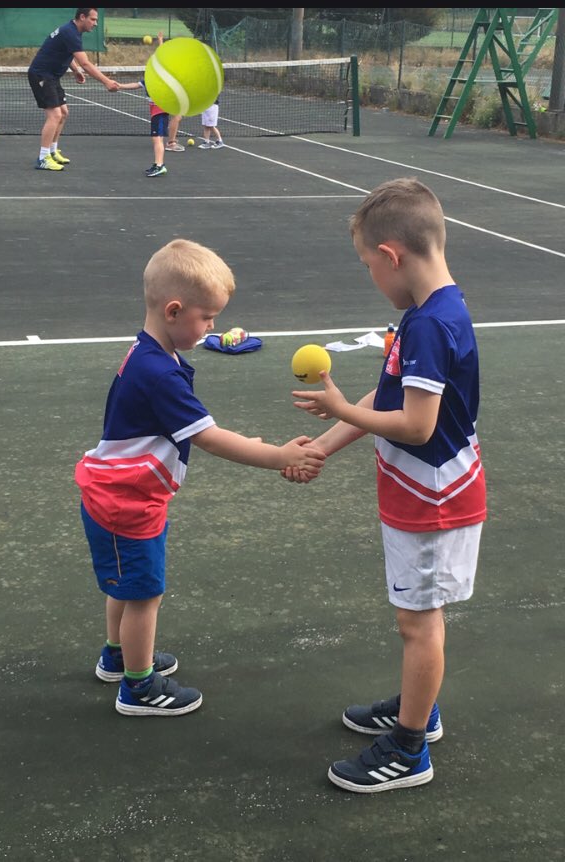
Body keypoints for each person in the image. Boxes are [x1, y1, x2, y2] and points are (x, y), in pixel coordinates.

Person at [289, 177, 487, 793]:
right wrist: (324, 441)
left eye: (368, 264)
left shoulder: (430, 325)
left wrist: (341, 409)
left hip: (434, 498)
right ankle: (415, 710)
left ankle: (409, 746)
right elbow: (394, 395)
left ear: (392, 255)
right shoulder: (425, 314)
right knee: (417, 616)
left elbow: (416, 425)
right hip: (421, 492)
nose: (370, 275)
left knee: (418, 622)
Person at [75, 238, 326, 717]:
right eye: (207, 317)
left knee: (125, 588)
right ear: (174, 310)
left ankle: (117, 656)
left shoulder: (152, 354)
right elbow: (208, 437)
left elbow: (187, 431)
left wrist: (259, 446)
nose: (213, 327)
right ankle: (138, 685)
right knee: (145, 594)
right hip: (126, 504)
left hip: (117, 495)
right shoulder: (158, 373)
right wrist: (275, 456)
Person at [27, 8, 119, 171]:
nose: (95, 23)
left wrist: (75, 70)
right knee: (55, 115)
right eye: (93, 19)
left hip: (52, 76)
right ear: (82, 17)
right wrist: (106, 81)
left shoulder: (72, 31)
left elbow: (67, 54)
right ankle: (43, 158)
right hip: (41, 75)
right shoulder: (70, 32)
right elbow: (86, 63)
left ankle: (53, 151)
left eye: (96, 20)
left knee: (63, 113)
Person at [115, 33, 180, 176]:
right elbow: (135, 85)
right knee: (156, 139)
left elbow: (162, 59)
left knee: (158, 140)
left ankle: (160, 165)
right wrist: (119, 86)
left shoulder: (162, 79)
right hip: (155, 112)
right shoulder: (149, 79)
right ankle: (158, 163)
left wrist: (161, 43)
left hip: (160, 111)